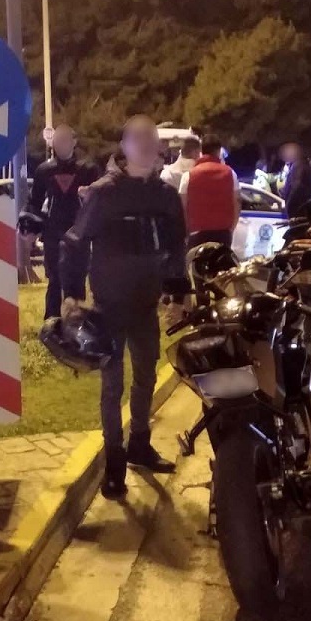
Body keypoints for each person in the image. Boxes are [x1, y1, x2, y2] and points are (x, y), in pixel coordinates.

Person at [61, 115, 189, 501]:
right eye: (139, 139)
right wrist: (71, 293)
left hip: (147, 305)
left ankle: (140, 446)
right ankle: (114, 465)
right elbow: (74, 242)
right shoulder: (104, 193)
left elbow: (176, 246)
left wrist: (178, 294)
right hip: (109, 307)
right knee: (112, 385)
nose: (148, 146)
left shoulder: (165, 196)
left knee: (146, 377)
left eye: (153, 140)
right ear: (125, 145)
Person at [26, 124, 103, 320]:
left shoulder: (88, 169)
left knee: (77, 278)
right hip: (53, 231)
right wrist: (31, 229)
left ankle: (77, 323)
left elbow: (101, 199)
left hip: (79, 232)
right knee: (54, 279)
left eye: (65, 140)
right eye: (57, 140)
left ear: (74, 141)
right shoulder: (45, 170)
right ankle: (51, 322)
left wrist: (89, 197)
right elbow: (35, 201)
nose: (61, 144)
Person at [178, 135, 241, 249]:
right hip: (223, 232)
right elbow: (237, 203)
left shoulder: (188, 176)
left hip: (196, 233)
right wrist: (230, 229)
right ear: (218, 151)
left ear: (201, 150)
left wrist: (186, 231)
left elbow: (182, 206)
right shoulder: (231, 174)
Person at [279, 142, 311, 218]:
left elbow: (297, 186)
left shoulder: (298, 165)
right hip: (307, 205)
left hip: (297, 206)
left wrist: (289, 204)